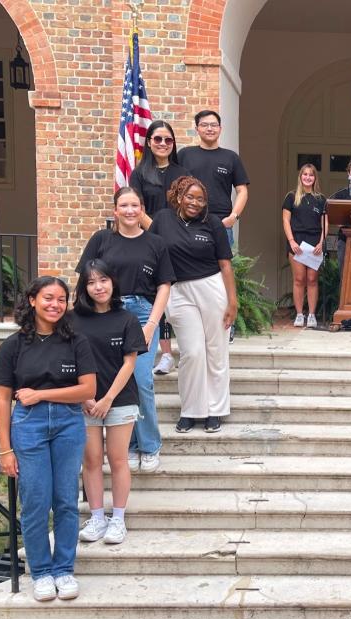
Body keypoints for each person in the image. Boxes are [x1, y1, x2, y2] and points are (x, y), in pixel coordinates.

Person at [0, 277, 96, 602]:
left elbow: (88, 390)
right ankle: (40, 572)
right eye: (48, 298)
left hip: (68, 424)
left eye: (62, 299)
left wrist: (41, 394)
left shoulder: (76, 341)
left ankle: (64, 570)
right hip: (28, 425)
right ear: (33, 300)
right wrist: (5, 449)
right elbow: (2, 400)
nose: (55, 304)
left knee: (65, 500)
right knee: (35, 502)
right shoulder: (13, 345)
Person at [77, 187, 174, 473]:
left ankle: (150, 444)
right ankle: (128, 446)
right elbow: (87, 280)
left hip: (144, 313)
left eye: (135, 205)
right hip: (108, 313)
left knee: (141, 379)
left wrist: (152, 324)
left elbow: (164, 286)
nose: (130, 211)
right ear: (115, 210)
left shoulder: (156, 243)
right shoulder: (102, 239)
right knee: (113, 379)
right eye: (124, 205)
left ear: (142, 208)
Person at [150, 175, 237, 433]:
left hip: (211, 287)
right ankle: (191, 410)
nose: (195, 203)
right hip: (178, 292)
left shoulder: (213, 224)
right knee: (192, 352)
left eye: (200, 199)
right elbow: (150, 250)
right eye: (190, 197)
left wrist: (233, 301)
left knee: (216, 349)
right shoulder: (163, 220)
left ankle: (215, 410)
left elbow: (225, 265)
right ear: (178, 196)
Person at [70, 260, 147, 546]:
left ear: (113, 282)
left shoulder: (126, 318)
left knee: (118, 460)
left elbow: (130, 363)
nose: (98, 287)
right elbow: (67, 359)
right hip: (84, 401)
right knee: (90, 461)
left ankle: (118, 519)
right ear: (84, 287)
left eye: (103, 280)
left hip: (120, 399)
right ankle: (97, 517)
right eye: (91, 282)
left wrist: (107, 399)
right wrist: (85, 397)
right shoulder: (73, 320)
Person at [130, 119, 189, 377]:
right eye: (157, 139)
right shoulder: (140, 173)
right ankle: (165, 353)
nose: (163, 144)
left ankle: (185, 349)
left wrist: (172, 234)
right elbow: (135, 207)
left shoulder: (182, 173)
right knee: (158, 298)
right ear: (149, 142)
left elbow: (189, 207)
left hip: (178, 242)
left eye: (168, 140)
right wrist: (157, 232)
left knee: (180, 296)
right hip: (148, 242)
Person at [177, 110, 249, 248]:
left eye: (214, 125)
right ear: (197, 128)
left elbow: (242, 190)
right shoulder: (185, 154)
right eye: (204, 125)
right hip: (188, 223)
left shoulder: (231, 157)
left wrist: (233, 217)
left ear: (220, 129)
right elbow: (174, 187)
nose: (209, 129)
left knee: (223, 266)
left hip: (221, 224)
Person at [282, 163, 327, 329]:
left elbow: (325, 223)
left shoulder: (321, 199)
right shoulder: (291, 197)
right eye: (305, 174)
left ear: (315, 178)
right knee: (299, 279)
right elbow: (286, 221)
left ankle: (312, 315)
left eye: (311, 175)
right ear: (300, 177)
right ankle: (300, 314)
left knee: (312, 279)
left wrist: (321, 243)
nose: (308, 177)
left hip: (314, 243)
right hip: (297, 243)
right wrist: (291, 241)